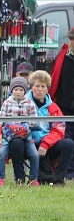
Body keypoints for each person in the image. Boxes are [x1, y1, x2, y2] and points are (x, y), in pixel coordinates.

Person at [28, 70, 73, 187]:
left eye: (43, 86)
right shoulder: (24, 104)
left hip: (47, 144)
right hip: (29, 143)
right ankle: (43, 178)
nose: (39, 89)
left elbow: (60, 128)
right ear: (31, 87)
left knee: (68, 144)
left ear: (47, 89)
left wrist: (46, 143)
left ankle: (59, 179)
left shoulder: (53, 107)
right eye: (37, 86)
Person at [0, 76, 39, 186]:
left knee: (34, 155)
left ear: (25, 90)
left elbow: (35, 122)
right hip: (8, 137)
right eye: (15, 90)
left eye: (21, 90)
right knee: (1, 153)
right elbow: (0, 120)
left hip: (26, 137)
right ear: (11, 90)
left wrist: (24, 124)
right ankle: (0, 177)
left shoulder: (30, 104)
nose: (18, 92)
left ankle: (33, 178)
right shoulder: (6, 103)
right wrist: (2, 131)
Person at [49, 27, 74, 179]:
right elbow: (55, 78)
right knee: (67, 139)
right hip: (64, 105)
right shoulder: (64, 56)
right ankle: (69, 172)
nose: (71, 42)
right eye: (70, 39)